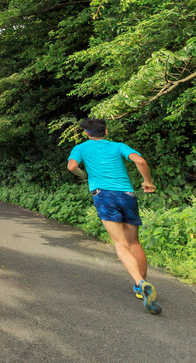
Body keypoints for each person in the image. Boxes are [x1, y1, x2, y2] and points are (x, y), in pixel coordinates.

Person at [67, 118, 161, 315]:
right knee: (134, 241)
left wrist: (84, 176)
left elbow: (72, 166)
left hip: (103, 195)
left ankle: (140, 282)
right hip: (127, 195)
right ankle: (139, 289)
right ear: (106, 132)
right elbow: (140, 161)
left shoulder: (81, 148)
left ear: (86, 134)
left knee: (120, 243)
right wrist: (148, 182)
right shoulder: (119, 146)